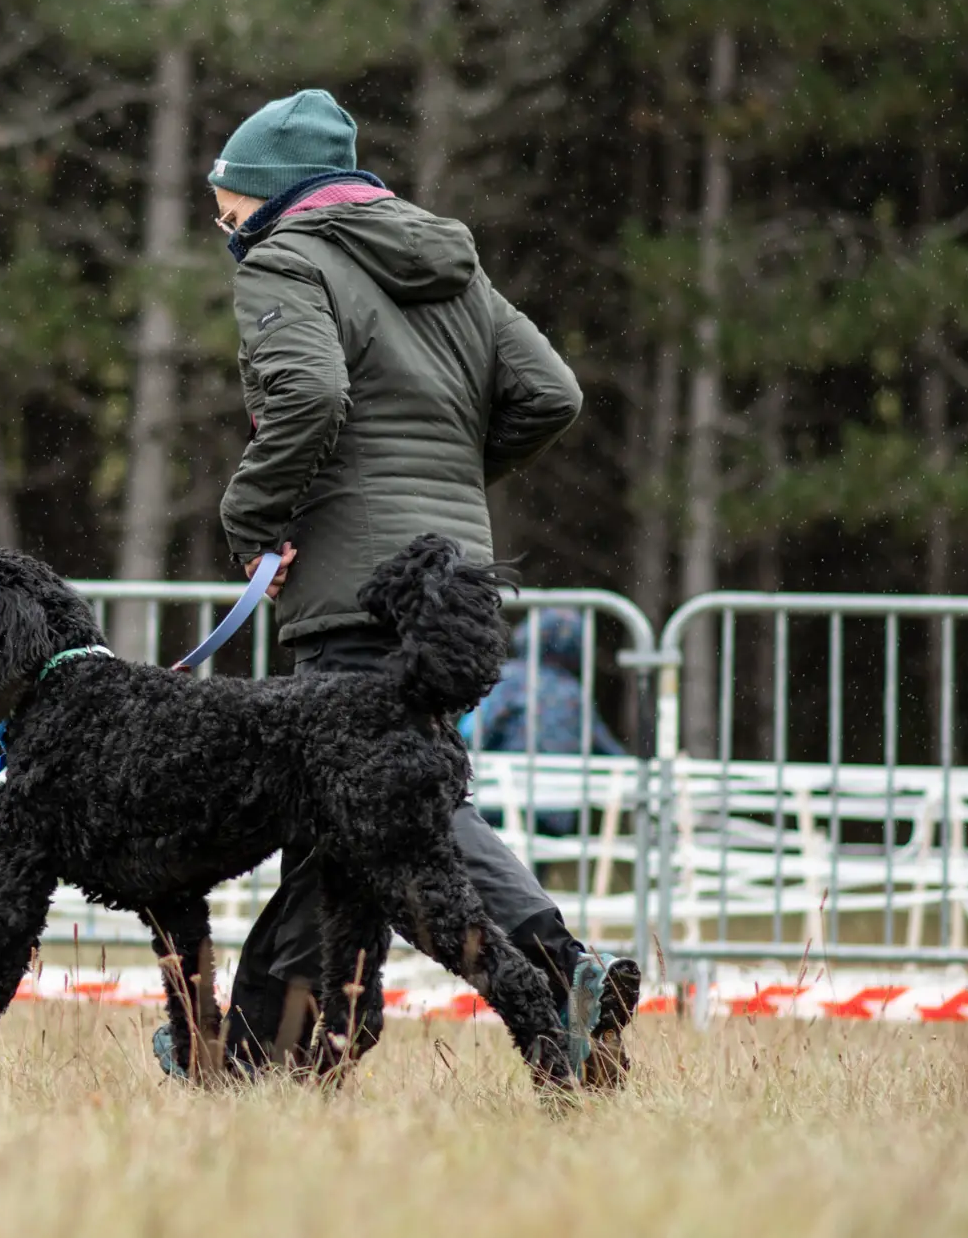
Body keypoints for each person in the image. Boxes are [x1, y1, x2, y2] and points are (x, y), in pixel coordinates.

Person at [168, 88, 639, 1086]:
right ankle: (272, 1045)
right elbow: (550, 393)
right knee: (352, 815)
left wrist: (254, 519)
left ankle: (556, 973)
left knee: (394, 810)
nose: (221, 226)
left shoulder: (287, 261)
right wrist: (448, 490)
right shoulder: (447, 265)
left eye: (225, 206)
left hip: (352, 586)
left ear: (270, 197)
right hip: (448, 578)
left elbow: (311, 395)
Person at [464, 608, 628, 837]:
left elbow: (474, 732)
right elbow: (605, 746)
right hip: (556, 807)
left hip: (503, 799)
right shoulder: (573, 692)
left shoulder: (509, 679)